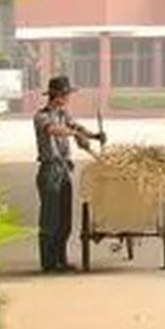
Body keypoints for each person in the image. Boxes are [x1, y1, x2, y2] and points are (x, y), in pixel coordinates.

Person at [34, 75, 104, 273]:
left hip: (64, 171)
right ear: (57, 95)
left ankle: (61, 260)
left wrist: (94, 136)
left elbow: (76, 127)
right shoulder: (42, 116)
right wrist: (74, 134)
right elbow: (53, 130)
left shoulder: (64, 114)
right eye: (65, 94)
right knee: (50, 219)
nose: (68, 98)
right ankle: (48, 263)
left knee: (64, 220)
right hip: (49, 171)